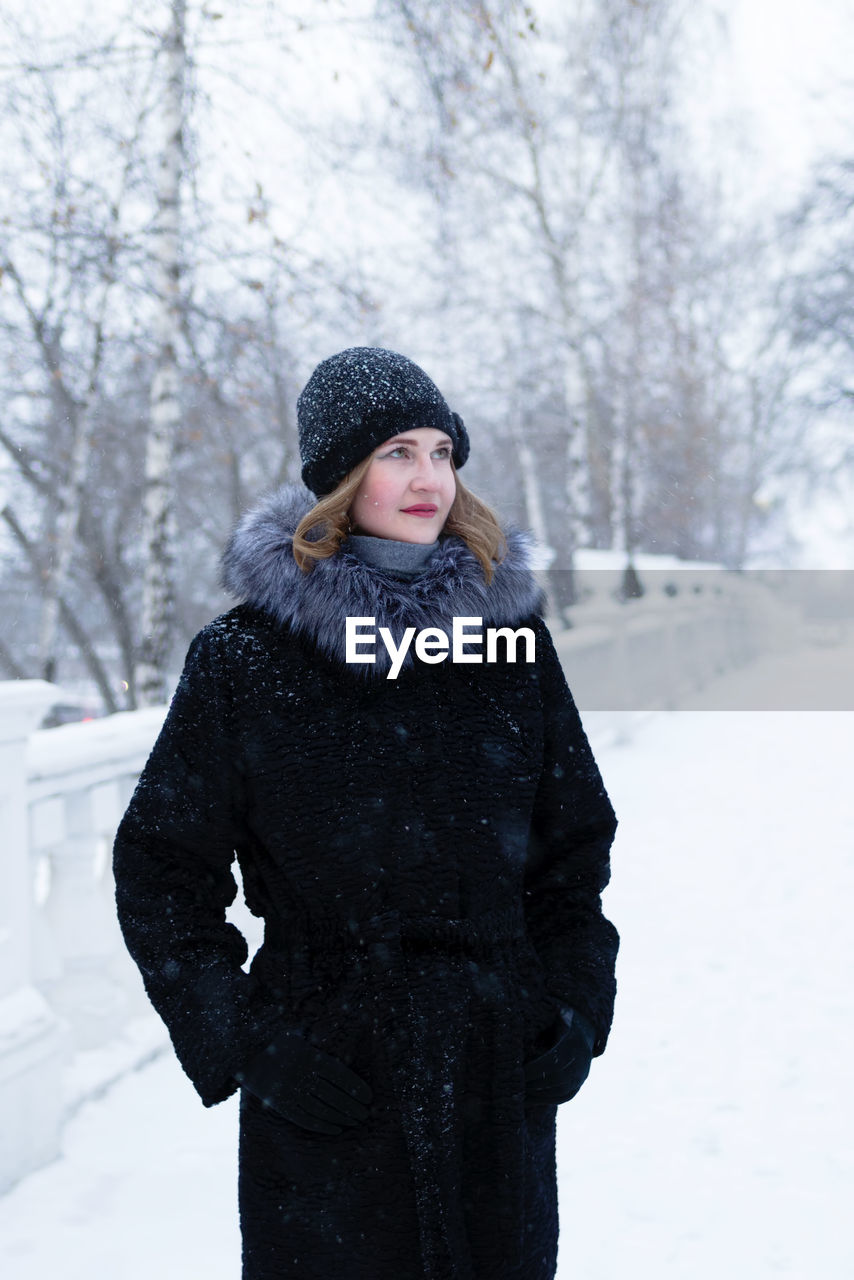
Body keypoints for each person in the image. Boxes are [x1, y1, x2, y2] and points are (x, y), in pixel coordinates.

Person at [112, 346, 619, 1280]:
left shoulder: (507, 644)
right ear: (341, 478)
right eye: (397, 452)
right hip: (327, 1074)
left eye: (441, 450)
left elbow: (573, 853)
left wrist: (575, 1008)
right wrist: (247, 1039)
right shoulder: (246, 660)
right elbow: (160, 869)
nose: (429, 477)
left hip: (493, 1070)